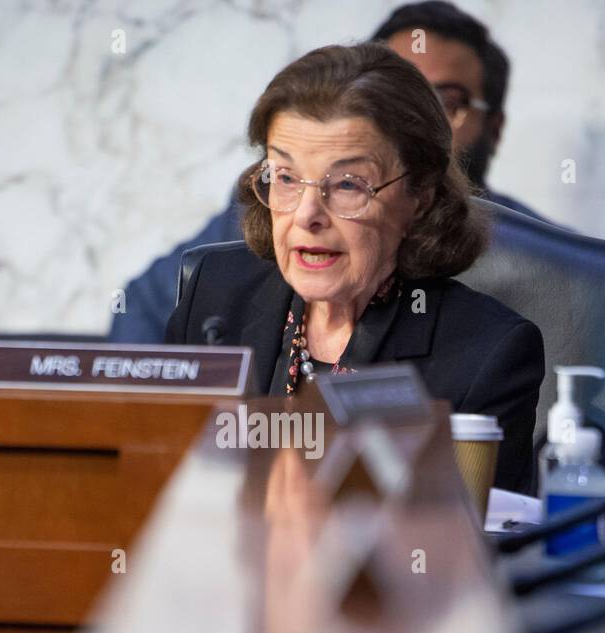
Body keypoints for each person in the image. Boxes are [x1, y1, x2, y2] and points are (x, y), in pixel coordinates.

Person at [165, 43, 544, 493]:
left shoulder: (486, 354)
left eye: (347, 184)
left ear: (419, 195)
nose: (307, 215)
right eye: (285, 177)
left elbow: (478, 549)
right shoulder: (215, 296)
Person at [110, 1, 546, 344]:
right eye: (389, 95)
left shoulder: (545, 259)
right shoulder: (268, 211)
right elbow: (143, 308)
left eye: (447, 102)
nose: (308, 213)